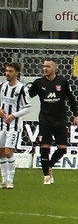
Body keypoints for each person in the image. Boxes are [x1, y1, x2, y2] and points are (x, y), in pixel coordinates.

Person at [28, 59, 78, 186]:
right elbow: (27, 96)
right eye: (44, 66)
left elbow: (71, 99)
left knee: (62, 149)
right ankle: (46, 176)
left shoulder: (62, 82)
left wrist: (75, 115)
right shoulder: (38, 83)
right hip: (45, 120)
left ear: (55, 69)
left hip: (60, 120)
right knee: (45, 147)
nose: (45, 68)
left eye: (48, 66)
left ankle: (49, 166)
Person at [0, 61, 27, 189]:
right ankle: (4, 180)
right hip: (1, 124)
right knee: (0, 152)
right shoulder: (3, 86)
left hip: (14, 126)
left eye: (10, 71)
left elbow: (28, 107)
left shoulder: (21, 88)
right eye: (7, 71)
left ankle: (10, 180)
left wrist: (14, 115)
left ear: (17, 73)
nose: (7, 73)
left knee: (8, 151)